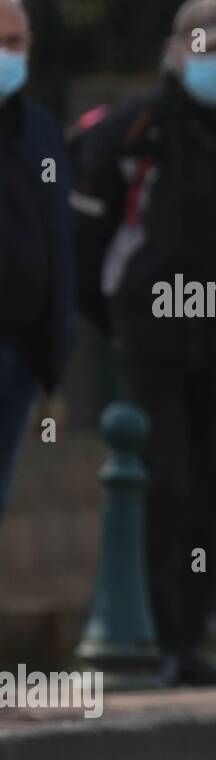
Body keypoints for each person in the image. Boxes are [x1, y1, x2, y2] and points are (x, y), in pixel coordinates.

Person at [71, 0, 216, 684]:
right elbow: (89, 234)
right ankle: (150, 636)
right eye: (202, 47)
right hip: (155, 337)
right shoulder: (134, 128)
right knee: (163, 483)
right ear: (175, 51)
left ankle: (186, 644)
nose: (215, 61)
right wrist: (118, 316)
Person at [0, 0, 74, 521]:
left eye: (15, 42)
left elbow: (58, 237)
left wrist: (53, 351)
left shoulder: (40, 130)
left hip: (19, 354)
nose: (6, 54)